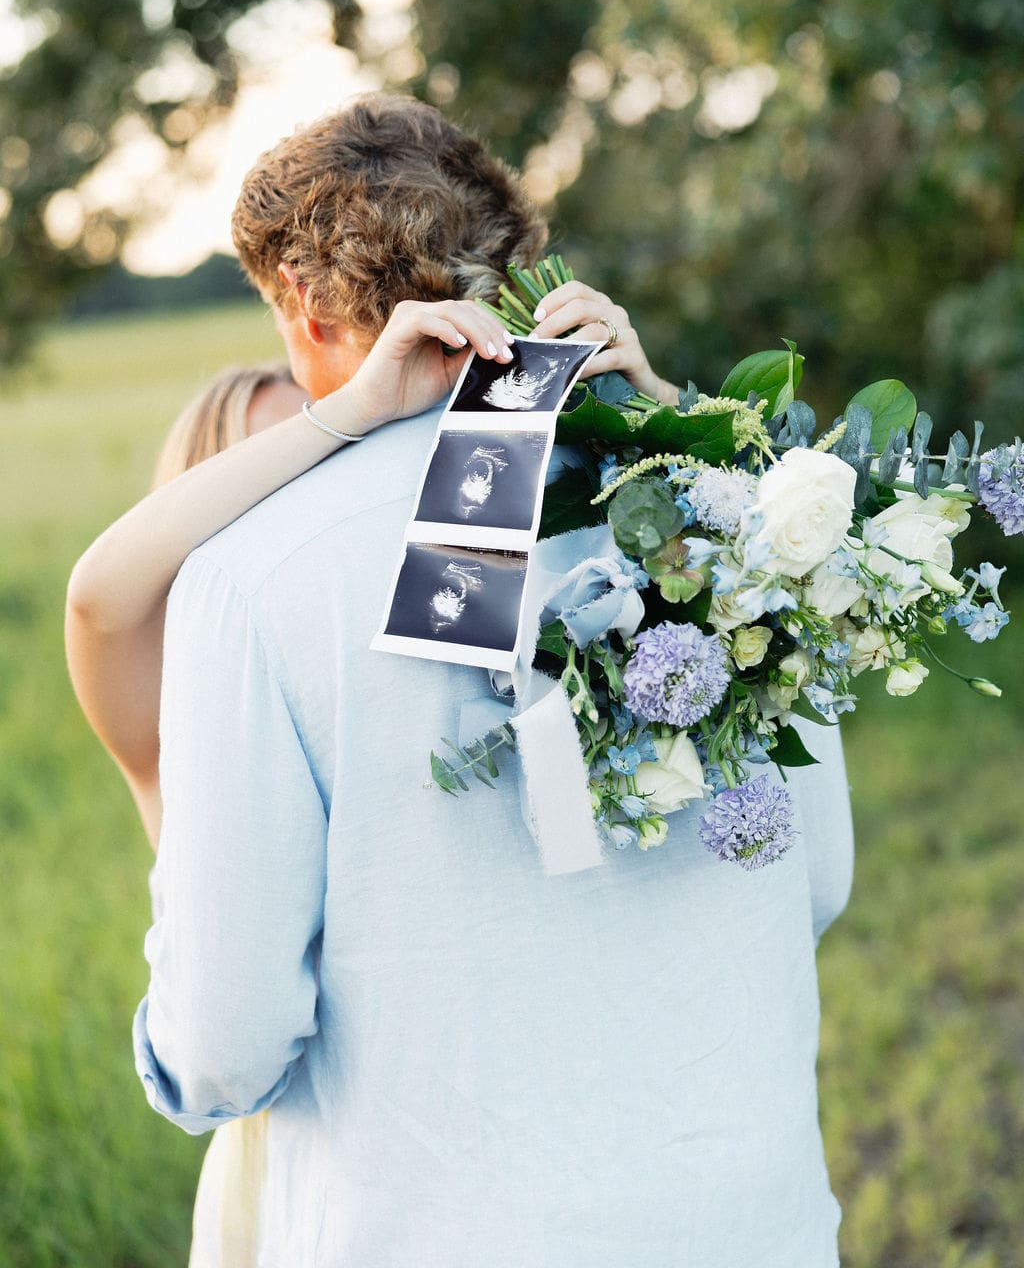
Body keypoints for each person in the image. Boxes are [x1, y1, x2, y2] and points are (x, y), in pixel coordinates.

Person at [80, 92, 852, 1265]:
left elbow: (226, 1047)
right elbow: (817, 880)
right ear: (512, 266)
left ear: (297, 301)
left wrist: (174, 1062)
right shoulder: (730, 512)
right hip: (753, 1219)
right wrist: (682, 429)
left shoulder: (254, 578)